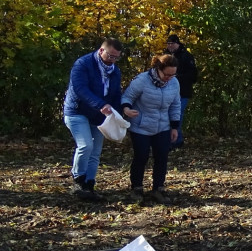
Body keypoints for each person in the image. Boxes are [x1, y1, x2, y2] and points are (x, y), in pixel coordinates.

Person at [63, 38, 129, 202]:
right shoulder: (83, 64)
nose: (112, 60)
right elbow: (80, 89)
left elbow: (115, 94)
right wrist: (100, 104)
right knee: (86, 145)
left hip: (99, 115)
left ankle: (89, 185)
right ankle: (78, 180)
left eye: (116, 57)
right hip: (77, 111)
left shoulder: (115, 71)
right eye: (110, 55)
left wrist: (118, 112)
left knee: (95, 152)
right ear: (101, 50)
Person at [121, 54, 181, 203]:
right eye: (166, 74)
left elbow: (175, 105)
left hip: (162, 126)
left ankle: (158, 188)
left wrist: (174, 127)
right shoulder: (142, 80)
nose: (169, 77)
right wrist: (126, 109)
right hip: (140, 126)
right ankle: (137, 189)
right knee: (141, 156)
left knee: (162, 157)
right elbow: (127, 97)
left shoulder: (174, 83)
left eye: (172, 74)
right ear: (158, 69)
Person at [164, 34, 198, 148]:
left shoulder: (186, 56)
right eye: (168, 44)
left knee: (177, 115)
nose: (170, 46)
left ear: (177, 44)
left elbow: (193, 75)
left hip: (182, 91)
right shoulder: (165, 56)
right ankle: (174, 140)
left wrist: (178, 78)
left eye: (172, 44)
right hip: (167, 91)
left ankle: (175, 141)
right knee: (168, 115)